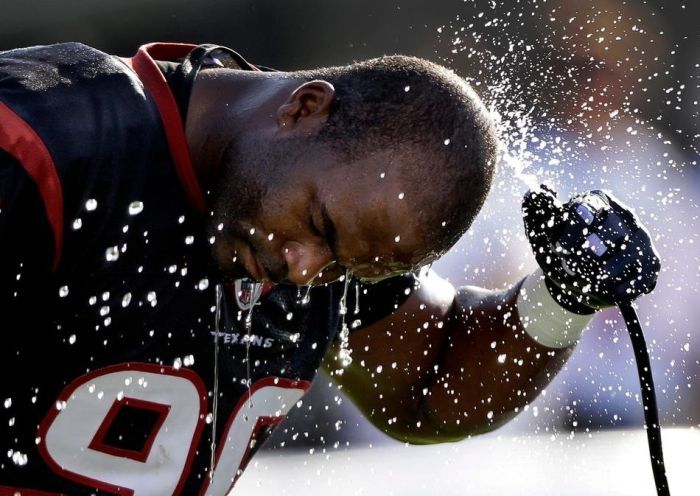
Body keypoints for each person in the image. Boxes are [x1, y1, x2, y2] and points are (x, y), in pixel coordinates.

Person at [0, 42, 657, 495]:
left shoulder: (337, 208)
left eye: (349, 270)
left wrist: (561, 299)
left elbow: (428, 385)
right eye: (318, 227)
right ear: (303, 109)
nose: (307, 269)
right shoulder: (46, 141)